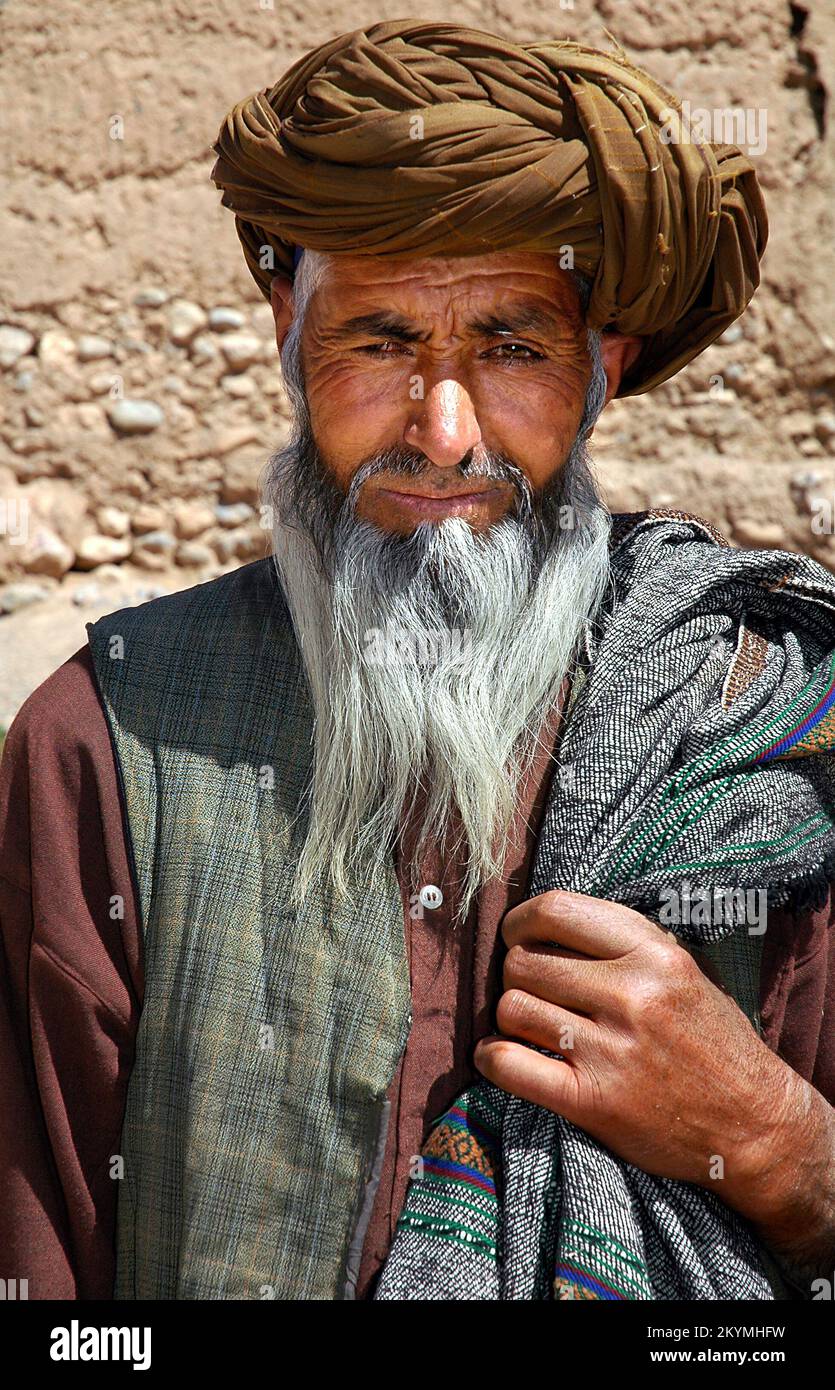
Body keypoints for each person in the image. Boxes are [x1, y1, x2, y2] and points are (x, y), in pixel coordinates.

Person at [1, 21, 833, 1302]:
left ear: (602, 365)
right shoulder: (103, 747)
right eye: (381, 341)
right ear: (288, 327)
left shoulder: (756, 724)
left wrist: (779, 1143)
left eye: (510, 347)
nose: (443, 437)